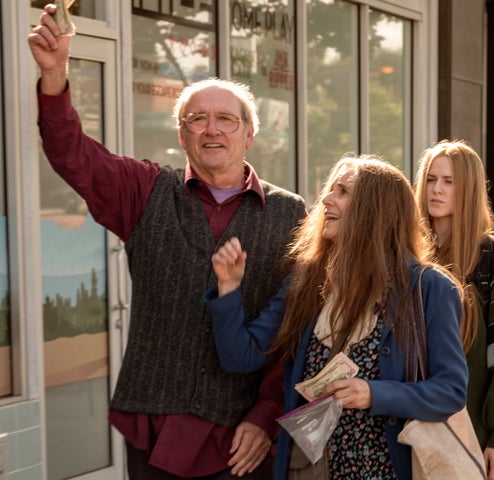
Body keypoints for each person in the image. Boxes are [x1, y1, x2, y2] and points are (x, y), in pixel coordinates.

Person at [28, 5, 306, 479]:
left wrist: (265, 418)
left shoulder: (291, 213)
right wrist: (55, 77)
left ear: (249, 134)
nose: (212, 128)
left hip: (240, 440)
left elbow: (295, 331)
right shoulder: (144, 190)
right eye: (198, 118)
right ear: (182, 134)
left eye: (226, 119)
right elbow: (71, 154)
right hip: (155, 427)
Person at [205, 155, 468, 480]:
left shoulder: (430, 289)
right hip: (311, 468)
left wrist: (374, 394)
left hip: (385, 470)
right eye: (331, 189)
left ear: (374, 211)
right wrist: (228, 289)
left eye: (343, 191)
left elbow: (451, 390)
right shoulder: (308, 281)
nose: (326, 199)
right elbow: (240, 356)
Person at [414, 140, 494, 480]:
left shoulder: (493, 259)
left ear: (468, 189)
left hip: (473, 432)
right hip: (414, 426)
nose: (436, 189)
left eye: (448, 182)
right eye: (431, 179)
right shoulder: (410, 252)